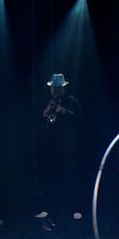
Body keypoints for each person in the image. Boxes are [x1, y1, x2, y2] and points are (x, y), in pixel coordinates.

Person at [35, 73, 84, 227]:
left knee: (70, 179)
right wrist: (45, 113)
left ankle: (75, 209)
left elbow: (79, 119)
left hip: (68, 148)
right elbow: (43, 123)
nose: (55, 91)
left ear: (63, 88)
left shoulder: (71, 101)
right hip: (51, 147)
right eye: (53, 88)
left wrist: (62, 111)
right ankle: (48, 209)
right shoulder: (48, 101)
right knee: (50, 179)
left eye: (58, 88)